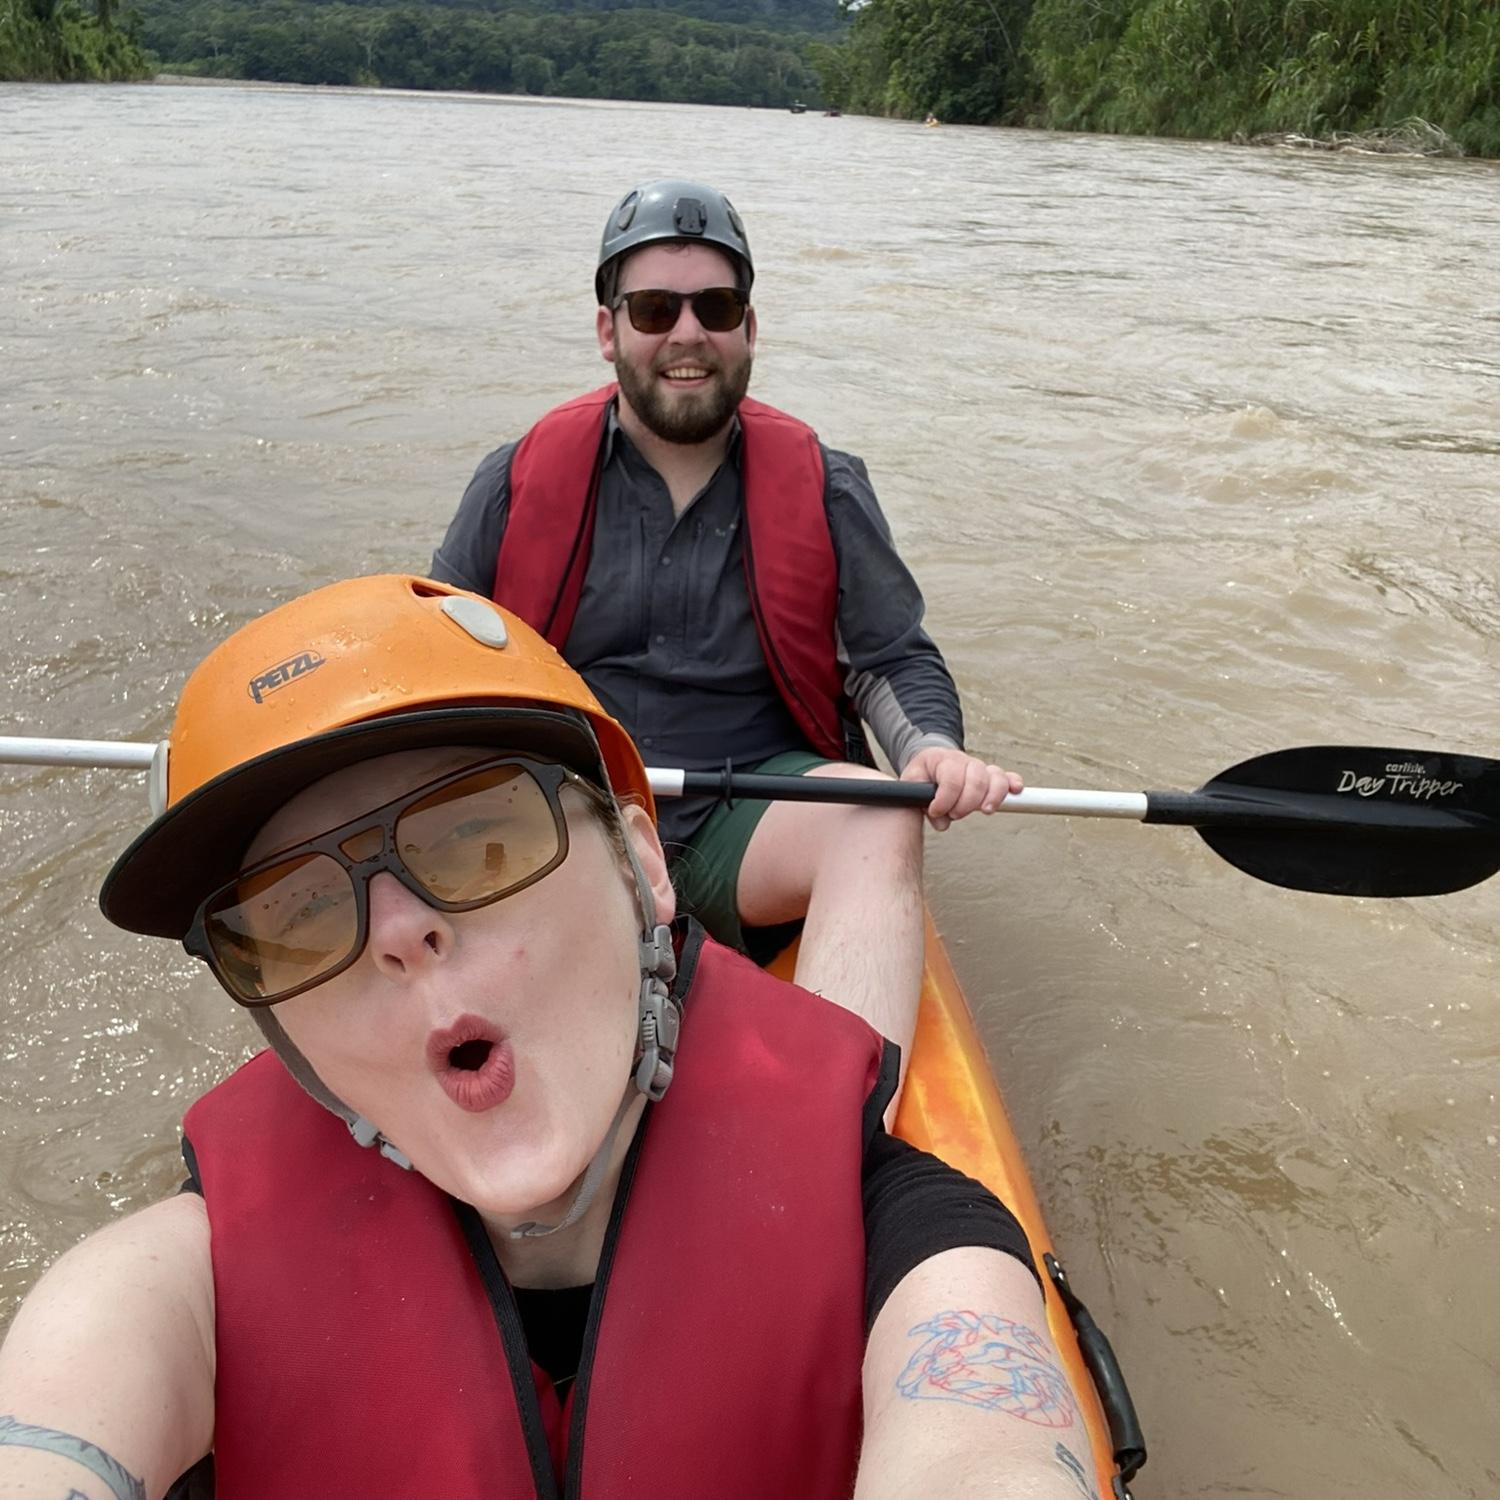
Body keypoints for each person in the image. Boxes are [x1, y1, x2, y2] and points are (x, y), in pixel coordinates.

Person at [0, 575, 1094, 1499]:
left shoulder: (922, 1250)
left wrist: (928, 746)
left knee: (868, 816)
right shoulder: (161, 1292)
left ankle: (844, 1096)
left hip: (746, 791)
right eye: (298, 913)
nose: (399, 932)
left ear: (641, 866)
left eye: (477, 835)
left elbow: (983, 1449)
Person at [430, 178, 1021, 1062]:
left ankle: (843, 1119)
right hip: (570, 819)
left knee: (878, 812)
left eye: (716, 307)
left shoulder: (827, 485)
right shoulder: (514, 482)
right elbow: (435, 660)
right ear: (609, 331)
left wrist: (930, 750)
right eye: (654, 309)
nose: (687, 334)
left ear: (749, 327)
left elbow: (889, 658)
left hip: (749, 824)